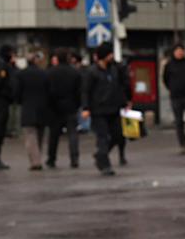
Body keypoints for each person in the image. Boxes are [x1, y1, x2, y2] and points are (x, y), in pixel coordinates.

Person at [86, 44, 129, 176]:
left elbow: (121, 86)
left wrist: (125, 102)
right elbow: (85, 91)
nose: (112, 57)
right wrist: (86, 107)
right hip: (98, 110)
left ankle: (100, 154)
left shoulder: (114, 70)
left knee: (118, 135)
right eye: (109, 54)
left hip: (114, 108)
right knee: (103, 137)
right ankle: (105, 165)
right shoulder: (92, 72)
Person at [42, 50, 84, 170]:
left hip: (54, 108)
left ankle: (51, 159)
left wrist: (49, 105)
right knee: (73, 134)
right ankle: (74, 158)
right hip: (71, 106)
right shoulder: (75, 72)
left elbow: (46, 91)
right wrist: (77, 104)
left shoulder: (50, 72)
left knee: (53, 135)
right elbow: (79, 91)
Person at [14, 51, 49, 171]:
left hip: (27, 108)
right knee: (40, 135)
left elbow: (17, 92)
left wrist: (19, 101)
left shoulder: (21, 74)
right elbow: (49, 91)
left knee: (30, 135)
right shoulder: (44, 73)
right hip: (42, 108)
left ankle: (35, 161)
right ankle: (38, 158)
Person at [164, 43, 185, 153]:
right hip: (175, 97)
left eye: (181, 51)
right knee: (179, 121)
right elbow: (165, 79)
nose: (180, 53)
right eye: (177, 51)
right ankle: (182, 144)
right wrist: (172, 88)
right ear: (174, 52)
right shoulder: (169, 65)